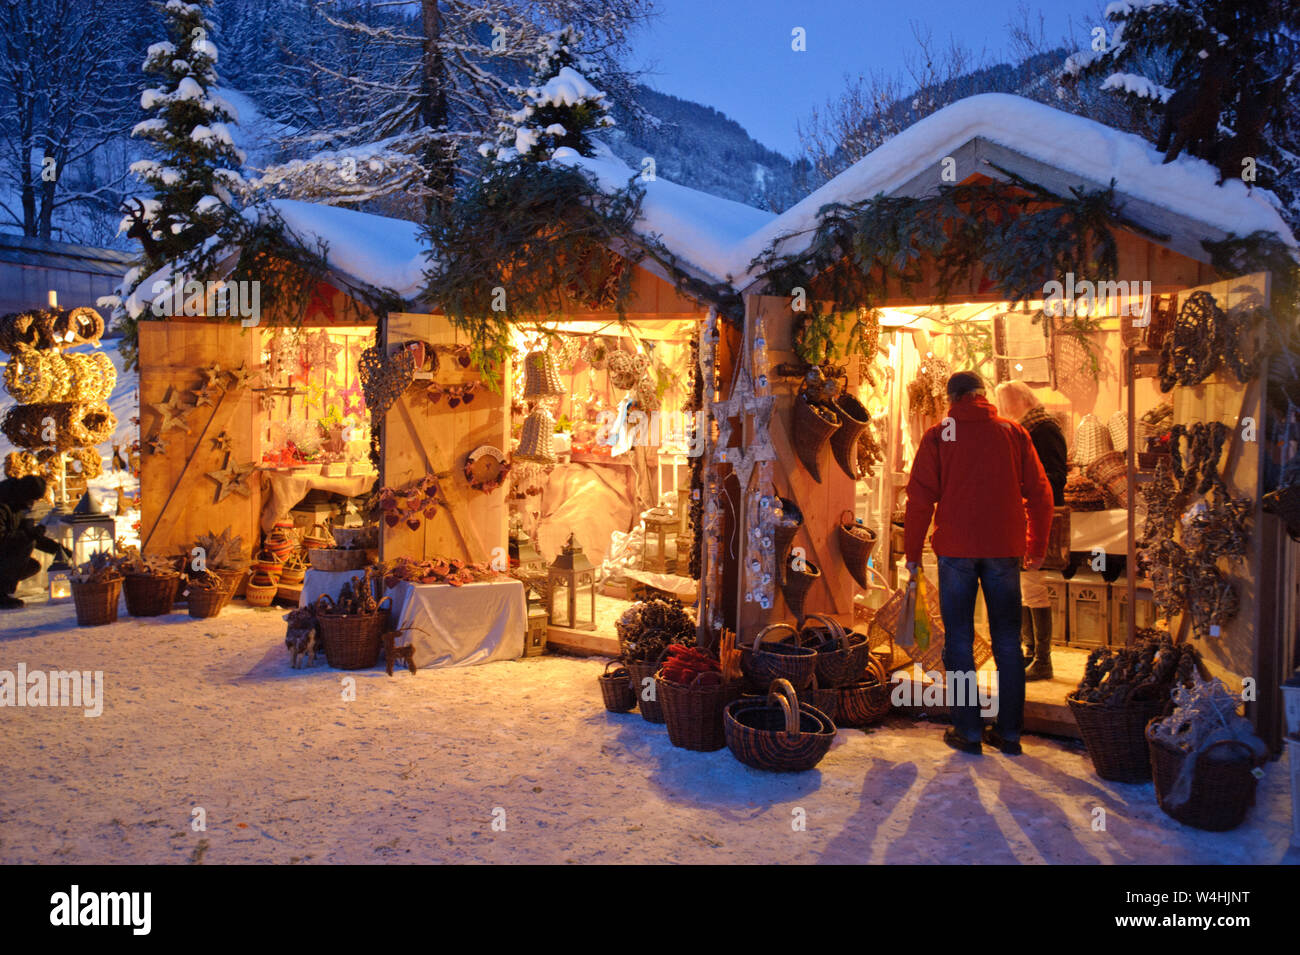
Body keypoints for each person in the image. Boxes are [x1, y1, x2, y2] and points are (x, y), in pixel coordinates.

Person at [904, 371, 1054, 756]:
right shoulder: (1012, 433)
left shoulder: (940, 435)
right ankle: (1009, 733)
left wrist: (912, 555)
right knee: (1008, 641)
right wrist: (1037, 547)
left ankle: (968, 731)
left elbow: (919, 501)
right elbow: (1041, 494)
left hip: (956, 550)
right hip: (1005, 549)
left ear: (951, 399)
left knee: (959, 641)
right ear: (983, 396)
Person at [994, 381, 1068, 681]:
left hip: (1038, 513)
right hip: (1024, 513)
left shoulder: (1043, 429)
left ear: (1020, 402)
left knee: (1033, 586)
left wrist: (1020, 483)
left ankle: (1043, 659)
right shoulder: (1027, 429)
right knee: (1024, 586)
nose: (1004, 411)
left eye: (1006, 405)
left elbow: (1054, 477)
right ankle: (1030, 651)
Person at [0, 476, 69, 609]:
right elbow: (4, 538)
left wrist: (59, 550)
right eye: (31, 500)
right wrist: (29, 534)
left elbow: (28, 535)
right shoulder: (3, 506)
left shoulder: (16, 506)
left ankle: (2, 591)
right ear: (23, 494)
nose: (31, 505)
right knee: (26, 543)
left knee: (32, 565)